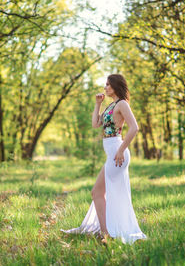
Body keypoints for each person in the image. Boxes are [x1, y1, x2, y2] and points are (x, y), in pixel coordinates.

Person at [60, 74, 147, 245]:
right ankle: (105, 232)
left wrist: (122, 150)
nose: (105, 87)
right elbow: (95, 124)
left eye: (108, 84)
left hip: (117, 153)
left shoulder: (122, 104)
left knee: (96, 192)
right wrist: (97, 104)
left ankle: (105, 234)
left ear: (116, 86)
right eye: (105, 84)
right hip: (112, 153)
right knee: (100, 193)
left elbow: (134, 128)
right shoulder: (110, 105)